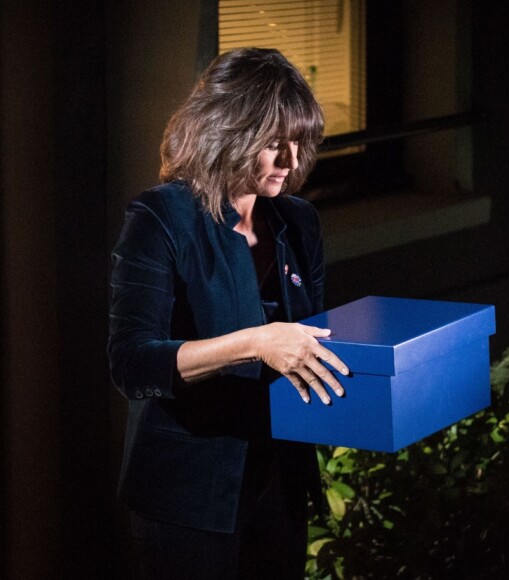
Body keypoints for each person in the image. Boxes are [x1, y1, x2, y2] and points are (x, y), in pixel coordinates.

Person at [108, 47, 349, 579]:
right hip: (187, 497)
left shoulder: (298, 221)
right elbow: (132, 364)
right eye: (272, 143)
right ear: (226, 132)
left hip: (277, 483)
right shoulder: (160, 217)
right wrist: (255, 341)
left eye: (299, 142)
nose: (289, 160)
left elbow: (311, 341)